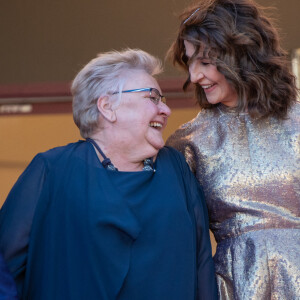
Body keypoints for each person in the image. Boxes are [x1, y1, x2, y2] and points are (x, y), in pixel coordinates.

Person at [0, 48, 217, 300]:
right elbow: (4, 266)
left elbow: (203, 269)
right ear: (107, 107)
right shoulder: (53, 170)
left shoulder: (176, 169)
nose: (166, 110)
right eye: (153, 97)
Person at [166, 0, 300, 299]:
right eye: (190, 62)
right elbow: (172, 241)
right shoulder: (187, 142)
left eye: (205, 61)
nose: (194, 76)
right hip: (234, 286)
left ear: (241, 53)